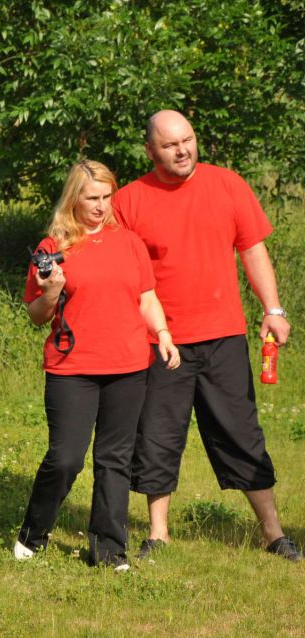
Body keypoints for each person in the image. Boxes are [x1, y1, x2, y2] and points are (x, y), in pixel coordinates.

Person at [112, 109, 300, 561]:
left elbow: (253, 250)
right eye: (171, 145)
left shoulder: (227, 184)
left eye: (188, 140)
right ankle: (158, 534)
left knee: (241, 433)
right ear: (150, 151)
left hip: (223, 335)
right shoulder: (130, 200)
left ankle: (273, 534)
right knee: (157, 435)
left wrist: (272, 309)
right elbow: (119, 270)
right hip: (160, 341)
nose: (182, 150)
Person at [13, 161, 180, 570]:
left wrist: (162, 334)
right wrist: (51, 293)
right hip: (72, 368)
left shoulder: (130, 243)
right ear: (74, 198)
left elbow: (146, 297)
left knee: (115, 460)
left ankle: (109, 551)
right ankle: (33, 534)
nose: (102, 206)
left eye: (107, 197)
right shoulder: (53, 246)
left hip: (127, 365)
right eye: (92, 198)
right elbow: (36, 315)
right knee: (66, 456)